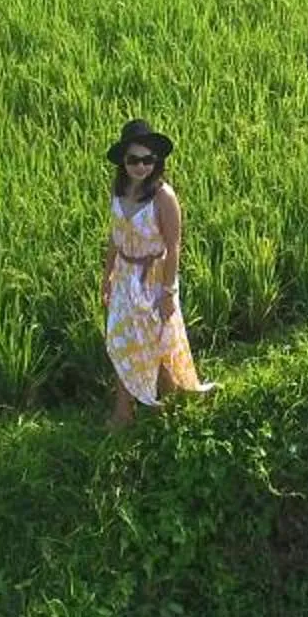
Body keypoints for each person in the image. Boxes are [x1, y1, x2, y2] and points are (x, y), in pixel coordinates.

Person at [102, 118, 212, 424]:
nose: (141, 166)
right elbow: (115, 235)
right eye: (134, 160)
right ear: (123, 162)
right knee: (122, 340)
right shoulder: (120, 191)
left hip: (154, 278)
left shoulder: (164, 196)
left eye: (148, 160)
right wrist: (107, 276)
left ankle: (132, 410)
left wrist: (167, 293)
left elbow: (174, 246)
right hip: (125, 275)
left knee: (155, 339)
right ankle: (139, 406)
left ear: (157, 161)